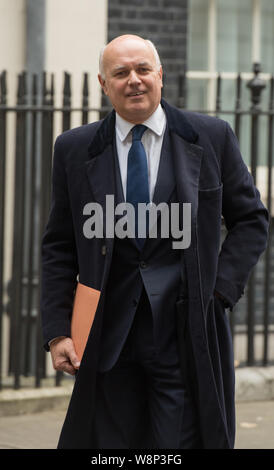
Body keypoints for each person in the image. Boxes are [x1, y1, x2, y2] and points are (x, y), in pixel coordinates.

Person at [41, 34, 269, 449]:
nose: (134, 80)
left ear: (160, 76)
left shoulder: (211, 136)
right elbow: (59, 245)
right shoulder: (74, 149)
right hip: (108, 337)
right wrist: (59, 332)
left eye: (143, 69)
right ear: (103, 84)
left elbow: (251, 220)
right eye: (121, 72)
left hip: (184, 336)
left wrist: (218, 291)